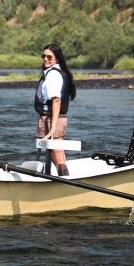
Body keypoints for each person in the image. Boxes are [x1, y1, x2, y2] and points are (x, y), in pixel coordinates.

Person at [34, 43, 77, 176]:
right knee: (56, 151)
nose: (46, 59)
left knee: (56, 152)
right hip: (52, 118)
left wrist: (52, 127)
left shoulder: (53, 74)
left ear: (57, 59)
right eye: (44, 56)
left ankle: (64, 181)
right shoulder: (56, 72)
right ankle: (63, 177)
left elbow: (56, 100)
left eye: (49, 57)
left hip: (52, 119)